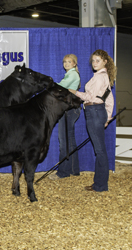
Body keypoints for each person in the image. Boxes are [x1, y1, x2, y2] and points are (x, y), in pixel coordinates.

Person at [69, 49, 116, 192]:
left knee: (100, 151)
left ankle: (100, 185)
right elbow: (109, 100)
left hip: (94, 112)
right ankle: (99, 184)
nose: (95, 63)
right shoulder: (104, 76)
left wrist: (74, 92)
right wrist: (107, 117)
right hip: (98, 112)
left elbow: (90, 97)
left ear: (105, 62)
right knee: (100, 150)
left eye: (98, 61)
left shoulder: (99, 77)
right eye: (93, 61)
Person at [49, 54, 81, 180]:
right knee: (70, 140)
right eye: (64, 62)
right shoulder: (71, 74)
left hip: (68, 110)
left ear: (74, 64)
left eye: (69, 62)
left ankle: (63, 172)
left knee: (64, 142)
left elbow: (59, 87)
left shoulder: (72, 74)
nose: (66, 64)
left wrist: (49, 84)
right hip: (72, 110)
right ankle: (74, 169)